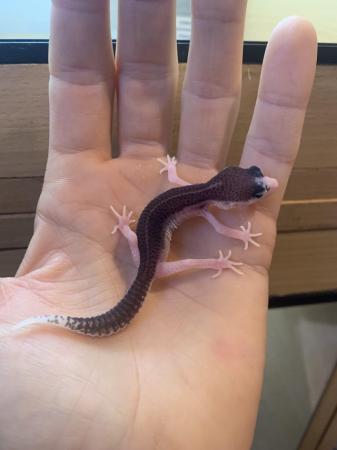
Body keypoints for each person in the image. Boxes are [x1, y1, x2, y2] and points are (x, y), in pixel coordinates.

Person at [0, 0, 317, 448]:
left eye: (255, 184)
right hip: (148, 257)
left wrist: (146, 204)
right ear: (228, 197)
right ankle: (62, 316)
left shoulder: (202, 190)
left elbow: (173, 177)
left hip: (141, 236)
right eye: (256, 188)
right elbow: (218, 226)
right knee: (166, 266)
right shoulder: (207, 205)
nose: (263, 184)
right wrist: (226, 251)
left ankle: (64, 312)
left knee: (146, 247)